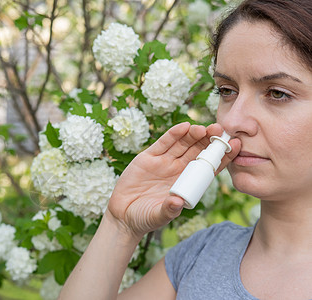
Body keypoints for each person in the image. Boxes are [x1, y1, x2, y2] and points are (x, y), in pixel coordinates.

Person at [58, 0, 312, 299]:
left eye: (278, 94)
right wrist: (120, 226)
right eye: (227, 91)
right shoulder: (199, 256)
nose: (232, 120)